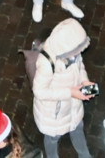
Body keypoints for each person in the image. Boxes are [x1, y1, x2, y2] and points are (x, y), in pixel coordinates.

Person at [30, 18, 94, 158]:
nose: (79, 54)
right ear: (66, 49)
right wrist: (70, 92)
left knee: (77, 127)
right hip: (54, 113)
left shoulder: (72, 53)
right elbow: (39, 91)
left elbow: (79, 65)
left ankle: (84, 154)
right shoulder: (47, 64)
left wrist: (84, 80)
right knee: (52, 138)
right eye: (76, 51)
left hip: (73, 104)